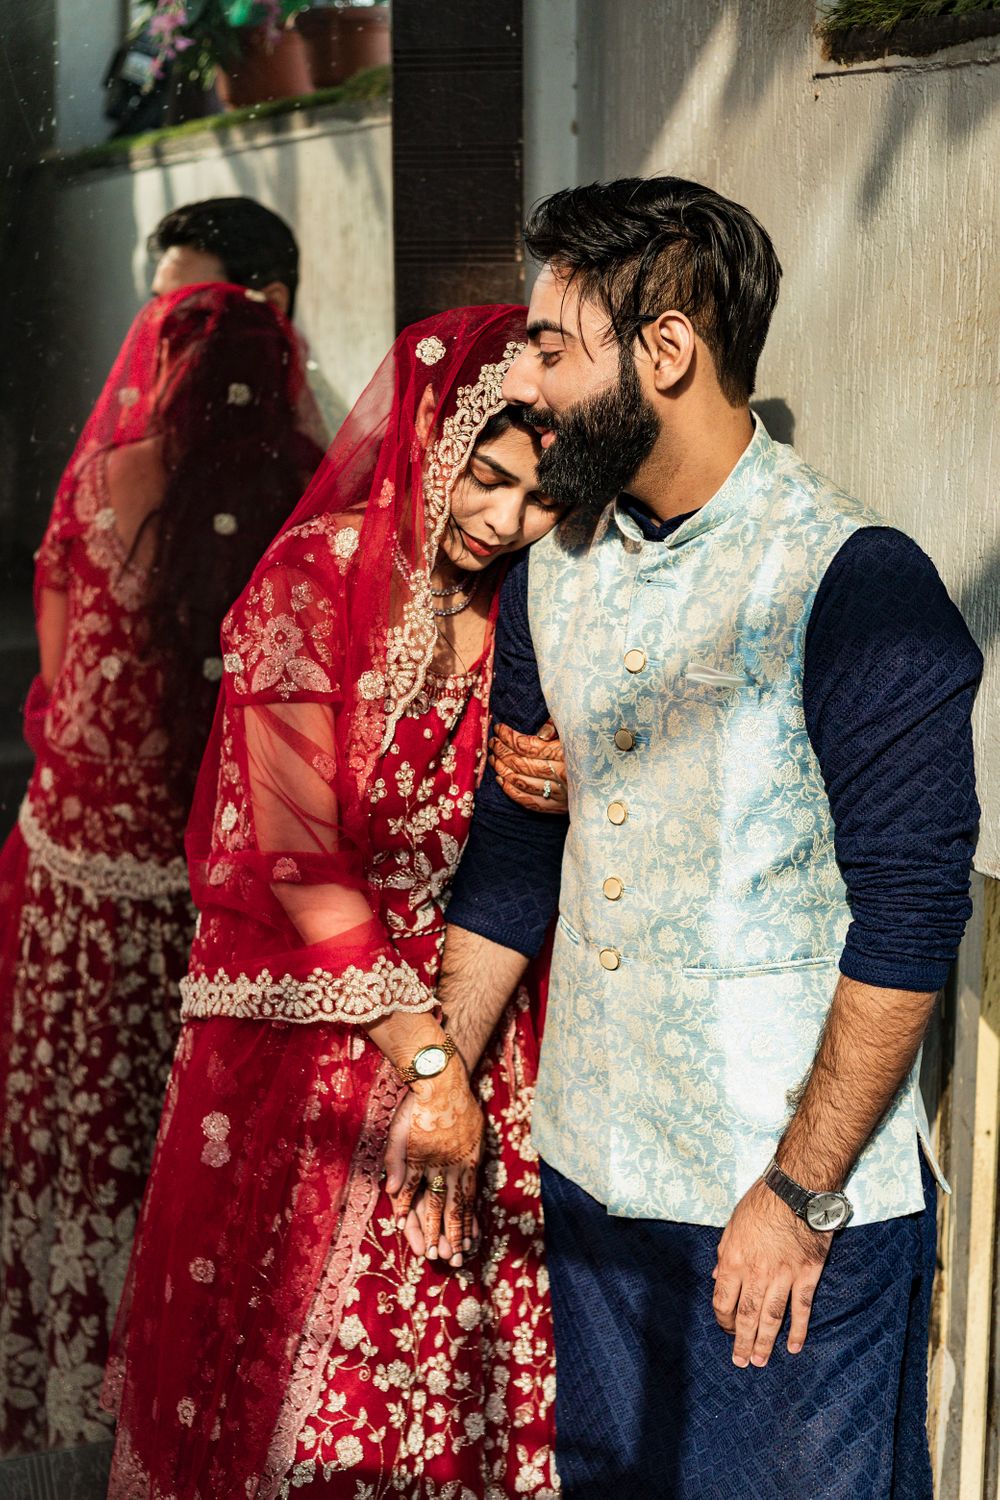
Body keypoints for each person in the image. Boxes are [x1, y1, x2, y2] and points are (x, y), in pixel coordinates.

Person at [410, 177, 983, 1498]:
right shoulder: (558, 563)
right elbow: (511, 856)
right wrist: (439, 1074)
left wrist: (800, 1193)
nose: (530, 381)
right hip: (593, 1174)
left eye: (554, 346)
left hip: (781, 1208)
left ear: (667, 350)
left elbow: (908, 921)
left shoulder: (853, 578)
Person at [105, 306, 567, 1500]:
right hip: (323, 1039)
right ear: (431, 431)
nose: (505, 522)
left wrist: (577, 771)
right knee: (297, 1414)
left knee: (469, 1381)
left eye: (542, 496)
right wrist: (428, 1068)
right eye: (487, 476)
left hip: (485, 1014)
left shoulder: (544, 606)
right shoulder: (309, 585)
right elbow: (298, 859)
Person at [0, 283, 323, 1453]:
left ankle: (77, 1388)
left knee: (83, 1133)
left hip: (84, 879)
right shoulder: (297, 486)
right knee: (184, 1142)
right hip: (207, 891)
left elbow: (55, 660)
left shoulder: (101, 482)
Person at [149, 196, 338, 439]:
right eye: (158, 307)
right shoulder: (150, 418)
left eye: (193, 310)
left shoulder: (330, 440)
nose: (163, 332)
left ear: (272, 304)